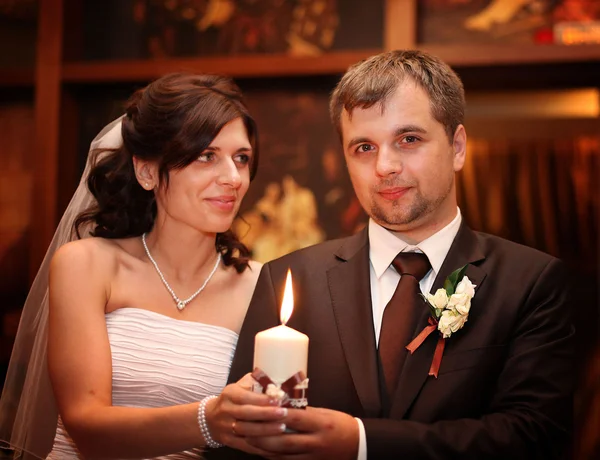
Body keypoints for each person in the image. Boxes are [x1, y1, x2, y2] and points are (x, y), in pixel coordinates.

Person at [208, 50, 574, 459]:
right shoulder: (289, 277)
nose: (385, 165)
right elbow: (237, 443)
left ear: (457, 147)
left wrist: (362, 443)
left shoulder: (531, 283)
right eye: (363, 147)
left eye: (409, 139)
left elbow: (535, 435)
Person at [0, 73, 287, 459]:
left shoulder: (261, 285)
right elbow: (86, 426)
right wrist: (209, 419)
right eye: (207, 156)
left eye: (242, 158)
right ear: (147, 171)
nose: (233, 178)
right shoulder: (87, 265)